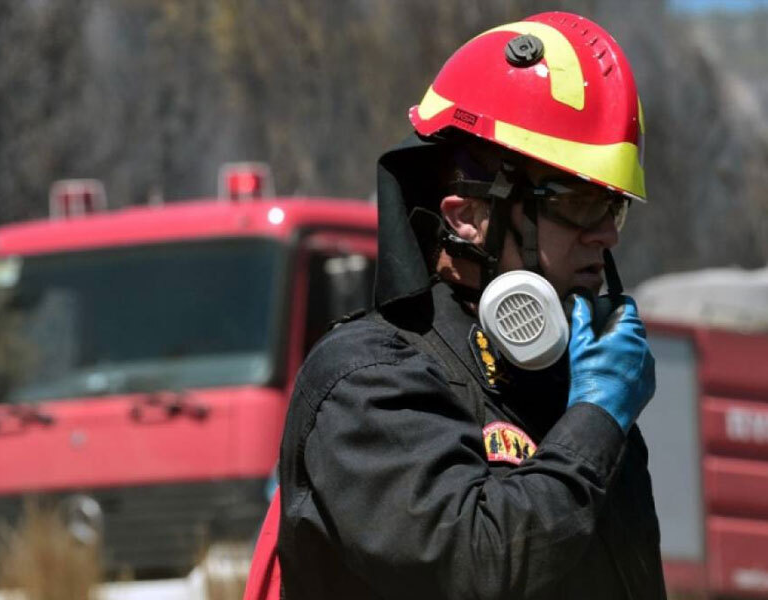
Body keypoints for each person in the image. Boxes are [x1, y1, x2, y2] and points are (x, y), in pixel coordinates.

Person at [276, 11, 664, 599]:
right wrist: (594, 423)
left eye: (613, 207)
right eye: (579, 203)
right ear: (468, 216)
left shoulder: (572, 396)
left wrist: (594, 422)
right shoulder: (366, 383)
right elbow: (476, 564)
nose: (606, 235)